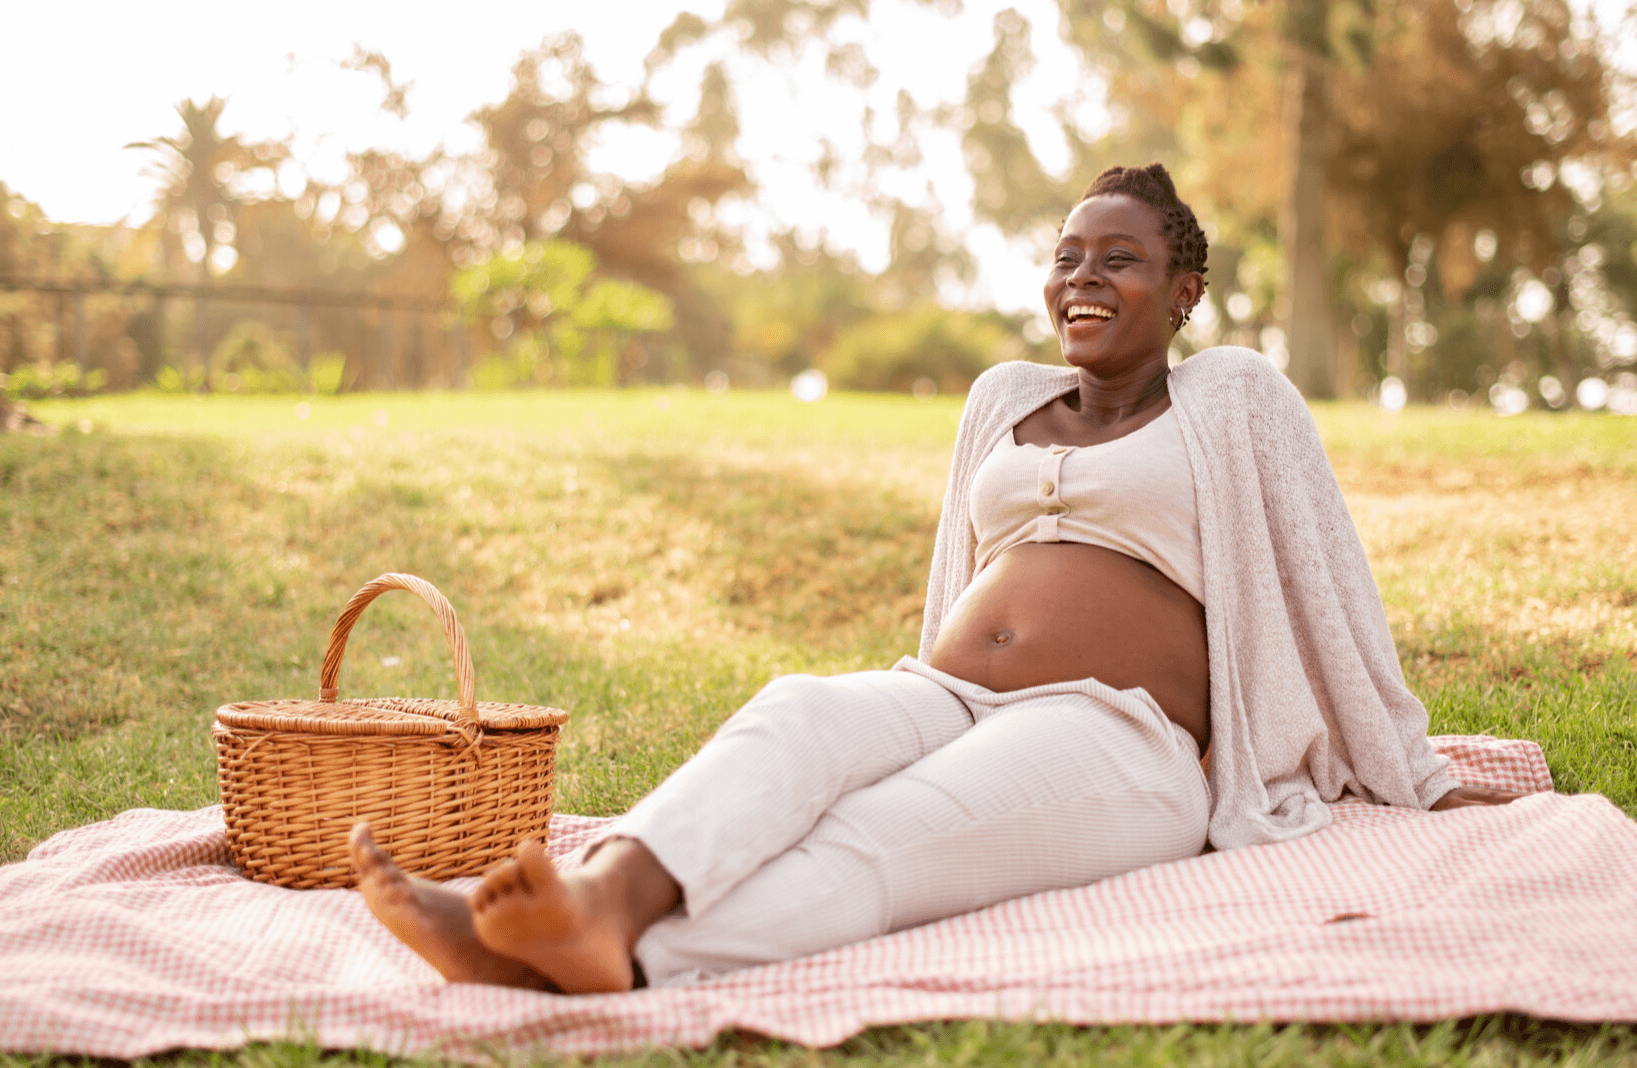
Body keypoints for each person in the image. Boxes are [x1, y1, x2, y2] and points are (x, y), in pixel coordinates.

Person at [348, 162, 1520, 995]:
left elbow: (1326, 584)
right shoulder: (1002, 401)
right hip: (944, 693)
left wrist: (1404, 764)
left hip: (1118, 735)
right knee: (797, 714)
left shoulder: (1230, 397)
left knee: (889, 830)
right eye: (1065, 257)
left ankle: (623, 955)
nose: (1083, 277)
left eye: (1121, 259)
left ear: (1182, 294)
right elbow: (953, 575)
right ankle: (602, 895)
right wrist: (911, 711)